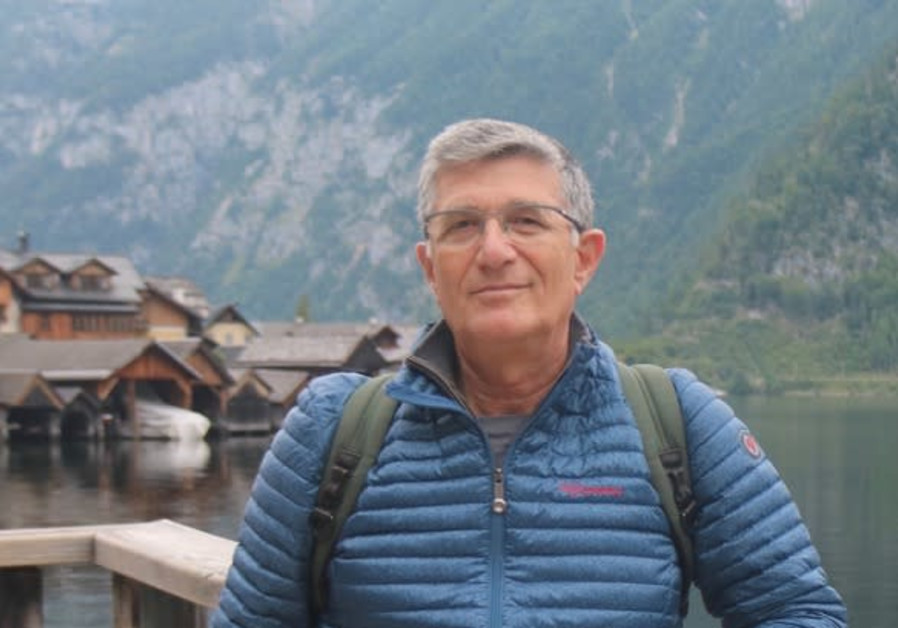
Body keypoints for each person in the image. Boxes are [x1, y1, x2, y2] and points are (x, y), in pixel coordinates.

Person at [212, 118, 847, 627]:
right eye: (462, 226)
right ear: (430, 268)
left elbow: (797, 610)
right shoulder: (332, 430)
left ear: (584, 259)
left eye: (526, 221)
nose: (494, 251)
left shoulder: (678, 422)